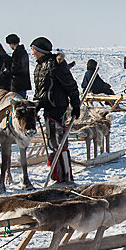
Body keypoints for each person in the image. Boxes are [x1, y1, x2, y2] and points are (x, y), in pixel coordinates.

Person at [31, 37, 81, 184]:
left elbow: (71, 86)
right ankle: (57, 175)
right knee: (52, 142)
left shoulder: (55, 65)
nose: (32, 52)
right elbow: (40, 90)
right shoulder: (39, 66)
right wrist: (36, 105)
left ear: (40, 51)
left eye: (33, 49)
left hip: (57, 107)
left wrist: (75, 105)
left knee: (60, 141)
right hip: (47, 108)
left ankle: (66, 176)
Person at [6, 33, 31, 98]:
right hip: (23, 84)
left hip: (17, 84)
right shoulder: (23, 51)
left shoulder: (17, 53)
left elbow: (15, 68)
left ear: (11, 43)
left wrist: (7, 71)